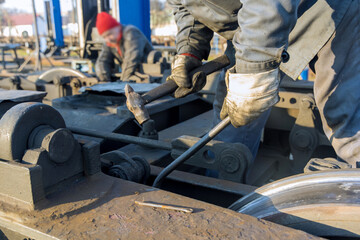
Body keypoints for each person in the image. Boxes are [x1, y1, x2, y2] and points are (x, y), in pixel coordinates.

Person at [168, 0, 359, 169]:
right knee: (232, 117)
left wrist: (253, 69)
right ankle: (224, 185)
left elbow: (267, 4)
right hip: (253, 27)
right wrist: (189, 49)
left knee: (345, 118)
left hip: (326, 13)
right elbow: (185, 4)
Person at [95, 12, 154, 82]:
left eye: (109, 34)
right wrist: (104, 82)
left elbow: (131, 60)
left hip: (150, 76)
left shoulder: (131, 33)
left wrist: (122, 83)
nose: (108, 39)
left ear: (117, 27)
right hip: (134, 77)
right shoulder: (110, 42)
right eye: (104, 37)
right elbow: (102, 61)